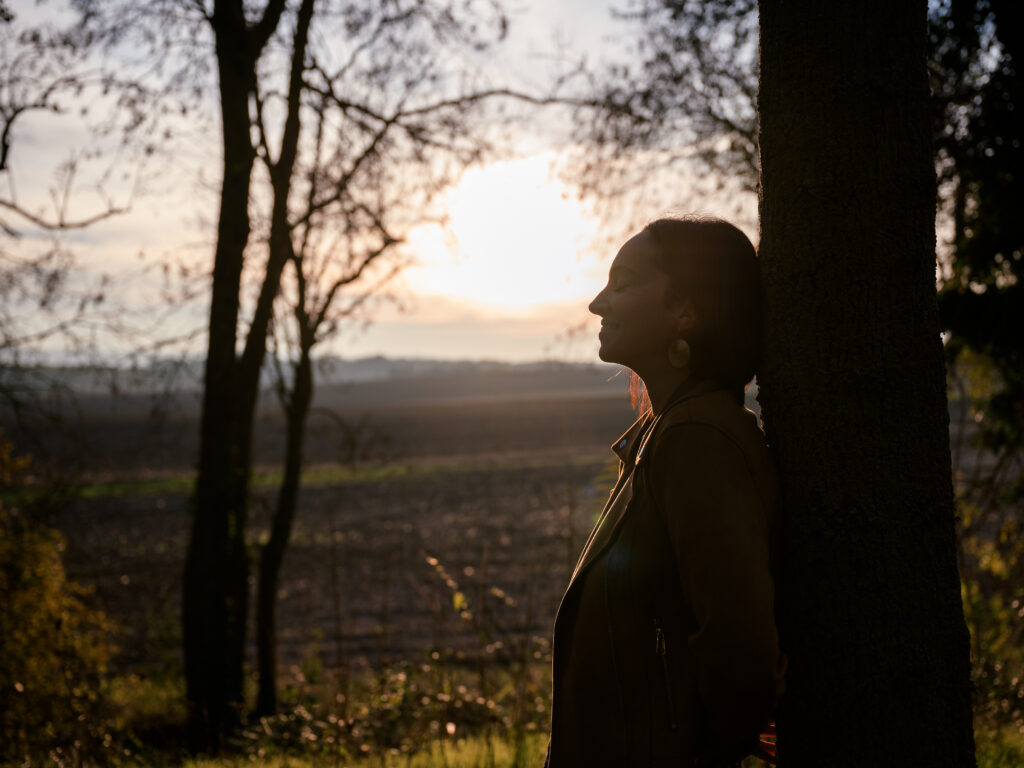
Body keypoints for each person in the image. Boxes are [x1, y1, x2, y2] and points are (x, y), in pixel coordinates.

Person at [546, 216, 786, 768]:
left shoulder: (697, 439)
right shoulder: (668, 432)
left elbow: (742, 658)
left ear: (685, 310)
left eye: (624, 281)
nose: (598, 303)